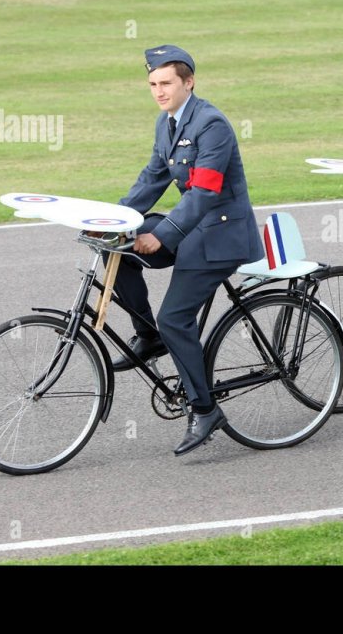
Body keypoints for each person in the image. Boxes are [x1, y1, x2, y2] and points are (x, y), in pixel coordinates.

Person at [110, 44, 263, 455]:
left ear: (189, 82)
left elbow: (205, 193)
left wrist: (163, 235)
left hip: (221, 235)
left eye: (166, 83)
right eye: (152, 84)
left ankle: (205, 408)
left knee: (175, 318)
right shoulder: (168, 122)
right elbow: (152, 179)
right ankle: (149, 338)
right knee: (118, 250)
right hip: (193, 229)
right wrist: (114, 220)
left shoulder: (211, 124)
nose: (158, 92)